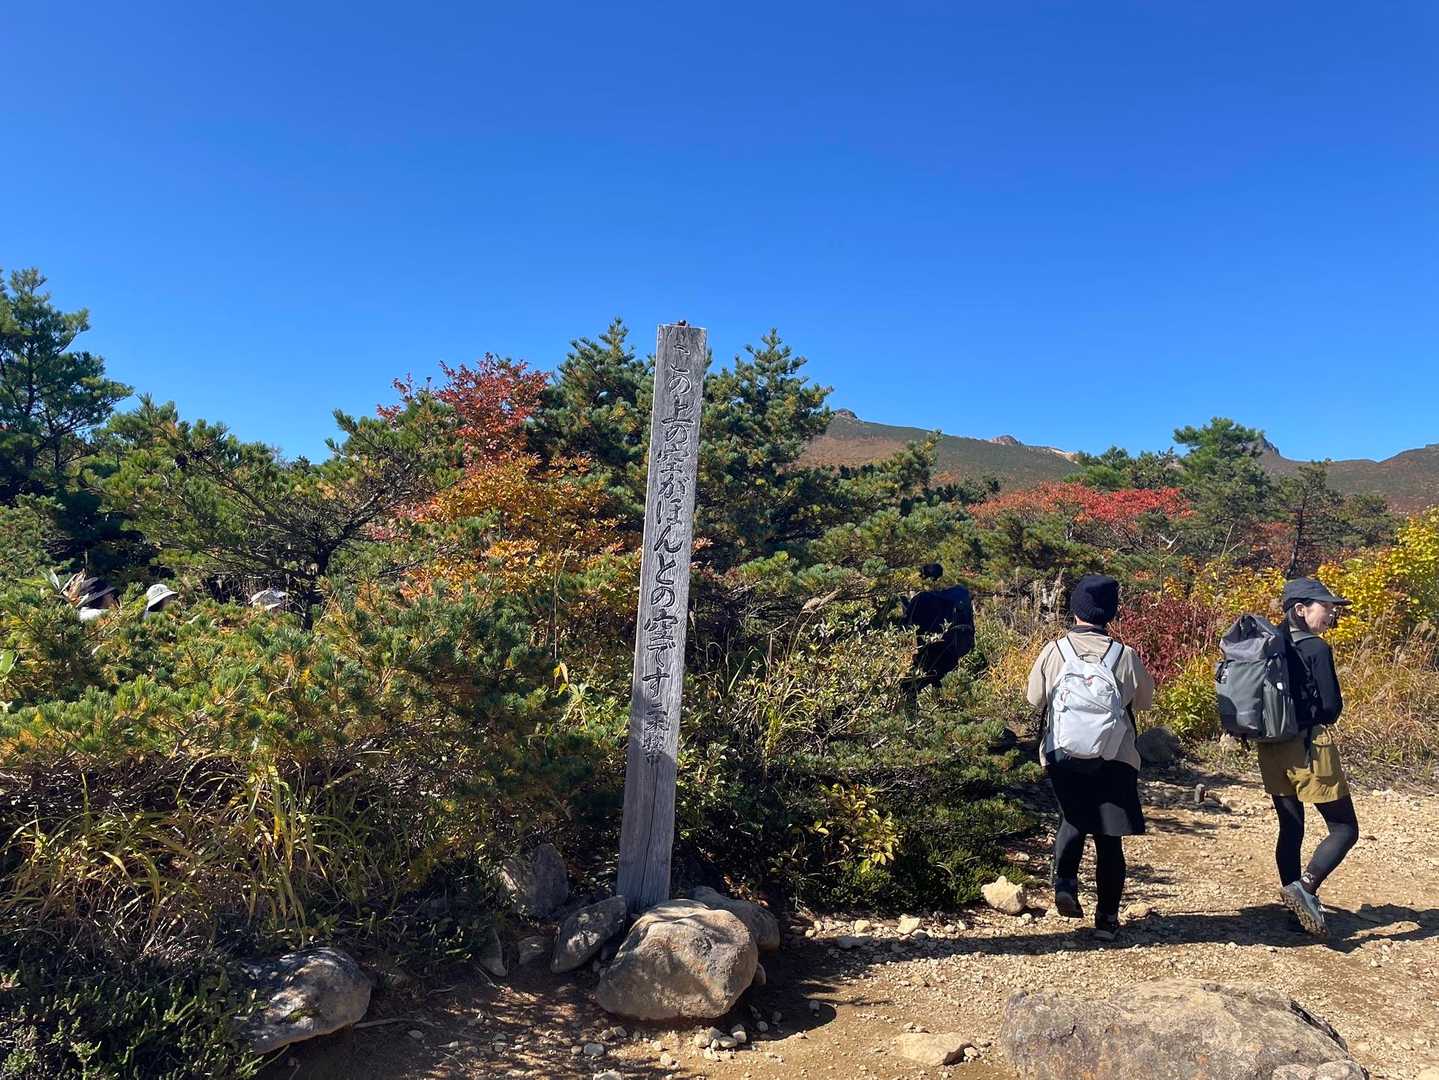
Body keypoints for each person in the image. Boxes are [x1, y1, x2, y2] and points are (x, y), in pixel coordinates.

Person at [1026, 574, 1154, 941]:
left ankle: (1065, 883)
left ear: (1075, 609)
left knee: (1072, 818)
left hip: (1063, 754)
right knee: (1109, 839)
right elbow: (1145, 701)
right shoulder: (1124, 655)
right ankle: (1107, 919)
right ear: (1110, 612)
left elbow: (1034, 699)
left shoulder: (1055, 651)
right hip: (1115, 757)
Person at [1260, 577, 1360, 938]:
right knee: (1344, 828)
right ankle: (1305, 886)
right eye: (1326, 607)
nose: (1332, 614)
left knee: (1291, 827)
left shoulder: (1267, 642)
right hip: (1307, 747)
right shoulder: (1316, 648)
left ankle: (1294, 909)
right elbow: (1331, 708)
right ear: (1301, 609)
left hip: (1271, 747)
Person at [903, 563, 975, 692]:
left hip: (932, 651)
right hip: (959, 646)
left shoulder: (921, 599)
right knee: (939, 675)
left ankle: (912, 696)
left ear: (924, 579)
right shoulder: (961, 592)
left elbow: (905, 625)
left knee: (909, 685)